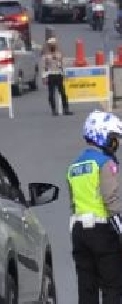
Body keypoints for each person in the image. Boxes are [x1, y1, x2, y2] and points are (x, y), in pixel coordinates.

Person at [67, 110, 122, 304]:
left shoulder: (74, 166)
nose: (116, 143)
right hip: (103, 232)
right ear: (102, 136)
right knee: (112, 285)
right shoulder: (104, 163)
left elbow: (73, 202)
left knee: (86, 287)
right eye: (113, 138)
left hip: (79, 232)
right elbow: (111, 201)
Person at [42, 37, 72, 116]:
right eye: (51, 45)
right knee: (51, 94)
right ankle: (53, 110)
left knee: (63, 93)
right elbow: (44, 67)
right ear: (49, 46)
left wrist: (65, 74)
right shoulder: (46, 55)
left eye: (54, 44)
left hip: (58, 74)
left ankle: (66, 109)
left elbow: (63, 64)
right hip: (50, 75)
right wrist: (44, 77)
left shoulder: (59, 54)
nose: (53, 46)